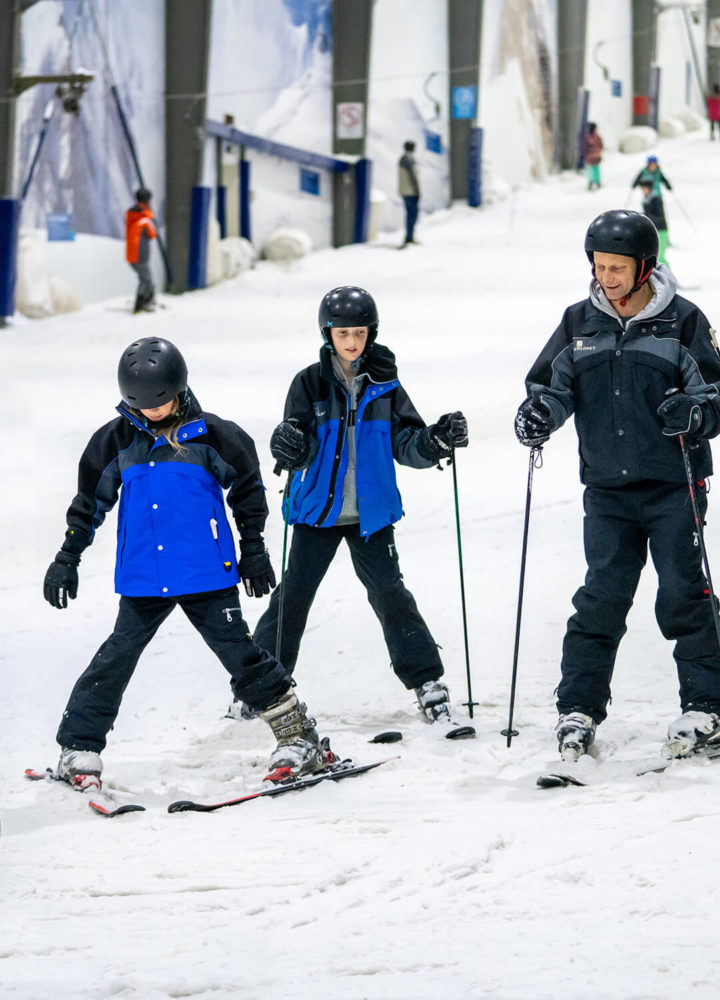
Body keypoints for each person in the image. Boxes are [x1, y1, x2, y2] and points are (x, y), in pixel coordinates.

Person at [42, 337, 335, 790]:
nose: (153, 413)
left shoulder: (214, 436)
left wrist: (252, 550)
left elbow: (248, 492)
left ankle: (300, 736)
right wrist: (68, 556)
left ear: (179, 388)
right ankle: (78, 748)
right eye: (141, 405)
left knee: (242, 656)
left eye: (161, 402)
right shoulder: (115, 441)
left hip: (205, 572)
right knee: (115, 659)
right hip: (143, 576)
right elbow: (88, 503)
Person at [512, 210, 720, 762]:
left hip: (673, 486)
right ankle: (579, 708)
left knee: (684, 595)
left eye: (617, 267)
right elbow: (549, 386)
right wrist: (539, 412)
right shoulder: (578, 323)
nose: (606, 277)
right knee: (600, 600)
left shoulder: (683, 321)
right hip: (607, 491)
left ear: (644, 268)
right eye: (598, 266)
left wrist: (695, 411)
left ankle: (712, 708)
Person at [248, 286, 473, 736]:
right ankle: (258, 684)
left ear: (372, 333)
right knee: (293, 597)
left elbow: (406, 442)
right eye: (343, 333)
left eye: (360, 332)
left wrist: (435, 441)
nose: (352, 341)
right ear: (327, 334)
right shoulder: (308, 383)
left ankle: (427, 682)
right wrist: (288, 445)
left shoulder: (386, 384)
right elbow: (300, 444)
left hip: (370, 514)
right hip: (318, 514)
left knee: (391, 594)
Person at [125, 188, 156, 313]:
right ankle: (141, 304)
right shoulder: (144, 218)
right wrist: (149, 215)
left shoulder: (131, 215)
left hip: (131, 253)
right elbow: (152, 233)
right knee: (146, 279)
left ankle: (146, 302)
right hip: (140, 254)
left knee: (144, 278)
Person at [639, 181, 669, 269]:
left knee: (660, 257)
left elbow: (660, 216)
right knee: (656, 257)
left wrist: (646, 216)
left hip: (661, 229)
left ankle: (670, 278)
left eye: (644, 188)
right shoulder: (647, 199)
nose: (643, 190)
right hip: (654, 229)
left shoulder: (656, 199)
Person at [397, 140, 420, 247]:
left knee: (409, 213)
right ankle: (409, 237)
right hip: (411, 191)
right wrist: (417, 190)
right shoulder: (409, 159)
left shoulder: (402, 159)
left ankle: (409, 236)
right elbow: (413, 177)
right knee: (412, 214)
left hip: (404, 191)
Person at [583, 122, 604, 190]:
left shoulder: (587, 137)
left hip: (589, 156)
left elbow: (584, 147)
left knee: (590, 170)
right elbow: (601, 145)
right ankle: (597, 182)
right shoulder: (598, 137)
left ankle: (591, 182)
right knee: (596, 169)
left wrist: (586, 153)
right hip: (597, 156)